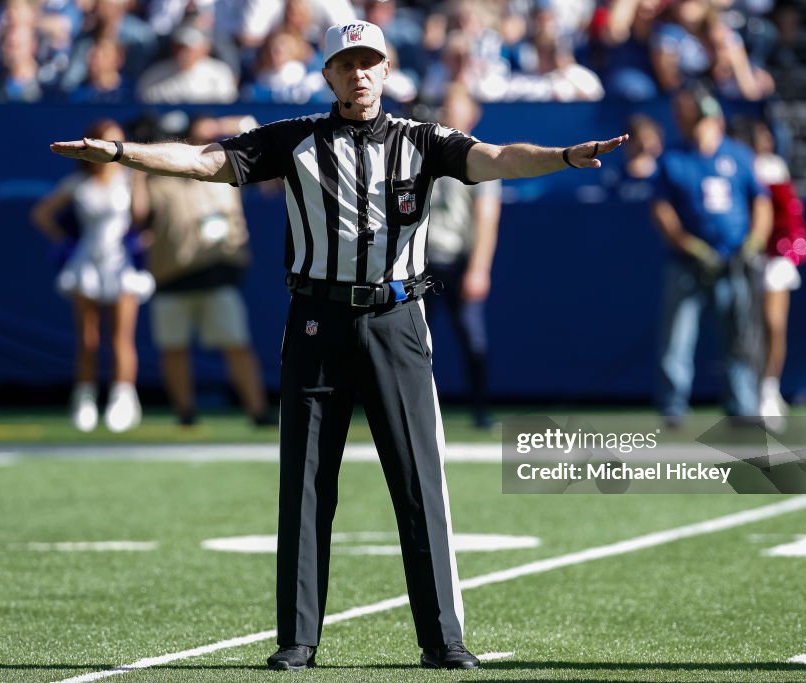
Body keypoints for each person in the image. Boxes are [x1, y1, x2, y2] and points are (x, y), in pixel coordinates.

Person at [50, 20, 626, 670]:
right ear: (327, 75)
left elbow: (494, 158)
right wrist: (125, 155)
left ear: (387, 70)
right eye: (346, 64)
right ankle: (298, 638)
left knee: (419, 483)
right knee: (305, 482)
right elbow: (207, 161)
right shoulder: (295, 140)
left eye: (369, 62)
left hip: (398, 320)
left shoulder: (421, 140)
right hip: (317, 321)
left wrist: (564, 155)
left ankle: (443, 638)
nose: (358, 74)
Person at [130, 114, 272, 427]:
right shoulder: (156, 176)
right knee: (174, 349)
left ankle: (258, 411)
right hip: (172, 275)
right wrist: (138, 170)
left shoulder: (226, 167)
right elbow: (137, 217)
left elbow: (264, 153)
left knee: (236, 344)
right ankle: (185, 413)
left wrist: (223, 125)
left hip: (217, 272)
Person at [651, 87, 771, 422]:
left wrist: (753, 243)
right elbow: (661, 209)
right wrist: (688, 244)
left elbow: (761, 202)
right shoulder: (673, 158)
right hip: (688, 263)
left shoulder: (739, 156)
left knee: (741, 336)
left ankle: (743, 406)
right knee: (677, 338)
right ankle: (673, 407)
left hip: (734, 261)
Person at [34, 118, 154, 433]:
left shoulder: (130, 178)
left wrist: (138, 178)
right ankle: (85, 399)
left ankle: (123, 399)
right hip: (86, 262)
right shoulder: (78, 183)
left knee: (120, 339)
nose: (112, 149)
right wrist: (66, 241)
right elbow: (41, 213)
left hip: (122, 265)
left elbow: (140, 217)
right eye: (107, 141)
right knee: (88, 339)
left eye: (118, 142)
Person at [424, 84, 501, 430]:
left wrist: (479, 267)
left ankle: (480, 409)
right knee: (411, 340)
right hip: (422, 261)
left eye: (456, 106)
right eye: (445, 105)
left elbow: (487, 216)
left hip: (457, 258)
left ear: (473, 114)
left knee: (472, 338)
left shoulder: (480, 155)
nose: (448, 112)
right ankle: (411, 408)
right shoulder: (424, 148)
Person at [731, 117, 806, 426]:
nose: (766, 141)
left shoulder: (773, 167)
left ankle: (769, 388)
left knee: (773, 323)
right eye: (760, 135)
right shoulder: (735, 164)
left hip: (775, 254)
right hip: (744, 255)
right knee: (747, 330)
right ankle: (748, 392)